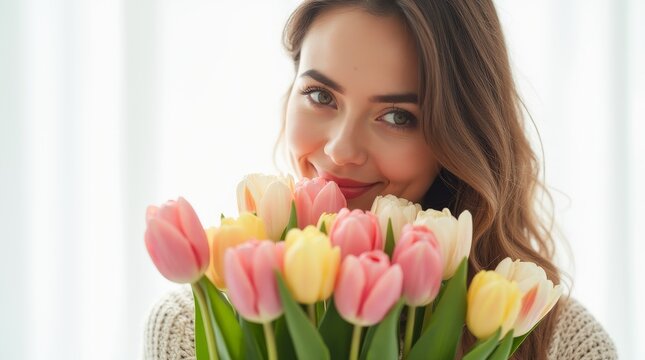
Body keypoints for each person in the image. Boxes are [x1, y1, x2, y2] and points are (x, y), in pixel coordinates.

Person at [144, 1, 618, 359]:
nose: (340, 150)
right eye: (320, 95)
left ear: (460, 136)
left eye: (397, 116)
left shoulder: (555, 340)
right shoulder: (191, 330)